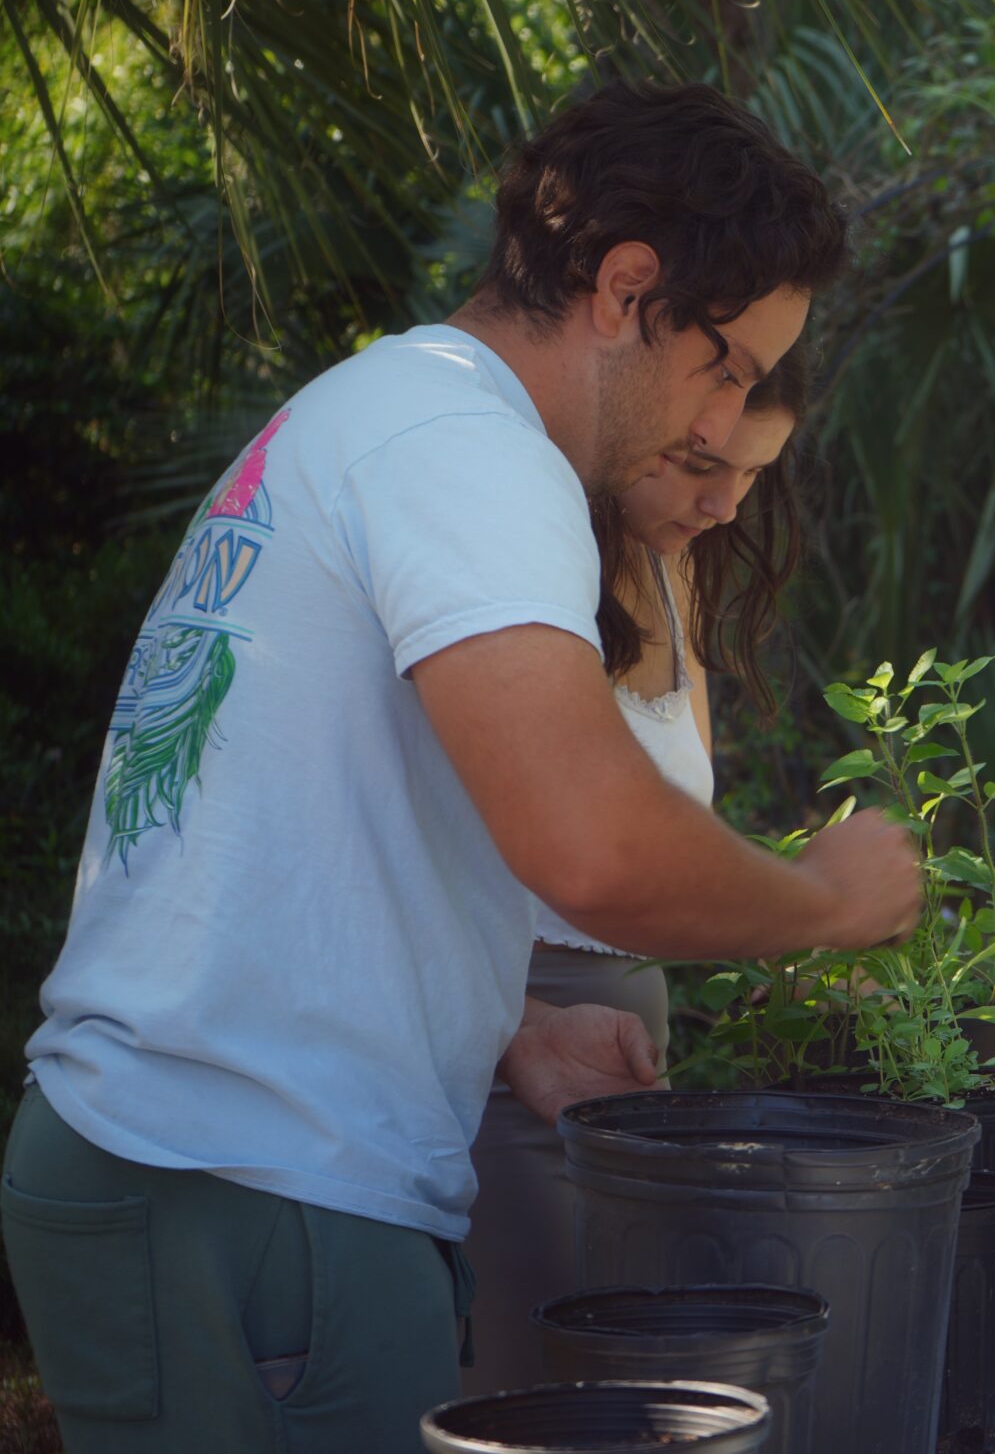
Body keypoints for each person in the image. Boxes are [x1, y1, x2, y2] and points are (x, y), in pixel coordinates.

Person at [2, 83, 922, 1452]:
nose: (727, 418)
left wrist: (502, 1022)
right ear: (626, 289)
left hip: (217, 1169)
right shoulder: (470, 451)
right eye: (728, 363)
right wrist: (828, 900)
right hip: (245, 1183)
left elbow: (293, 820)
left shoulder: (391, 412)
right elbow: (591, 846)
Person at [465, 345, 813, 1390]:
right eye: (702, 464)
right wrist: (820, 908)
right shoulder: (524, 566)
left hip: (619, 1053)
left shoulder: (678, 562)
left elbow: (672, 829)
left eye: (756, 474)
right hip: (511, 1047)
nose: (724, 504)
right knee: (533, 1393)